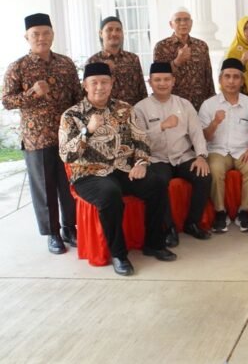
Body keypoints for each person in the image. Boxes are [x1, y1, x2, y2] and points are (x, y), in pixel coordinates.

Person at [59, 62, 174, 276]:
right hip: (88, 173)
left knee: (157, 183)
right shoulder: (71, 115)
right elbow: (66, 154)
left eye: (104, 82)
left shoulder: (124, 109)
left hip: (123, 168)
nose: (100, 87)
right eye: (94, 83)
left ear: (112, 84)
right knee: (109, 193)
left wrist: (140, 163)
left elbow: (141, 140)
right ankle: (119, 254)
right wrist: (88, 131)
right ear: (85, 85)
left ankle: (154, 243)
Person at [2, 13, 81, 254]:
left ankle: (69, 227)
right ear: (27, 37)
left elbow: (77, 95)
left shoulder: (65, 63)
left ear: (53, 34)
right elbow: (6, 101)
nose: (41, 38)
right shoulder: (18, 66)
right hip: (38, 138)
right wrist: (32, 93)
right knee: (44, 188)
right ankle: (53, 234)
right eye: (36, 34)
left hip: (67, 136)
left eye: (46, 32)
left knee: (68, 184)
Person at [134, 62, 212, 246]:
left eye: (166, 79)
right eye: (157, 80)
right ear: (150, 82)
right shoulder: (140, 108)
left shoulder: (184, 104)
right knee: (159, 182)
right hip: (157, 158)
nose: (162, 83)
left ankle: (192, 223)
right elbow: (139, 140)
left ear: (173, 81)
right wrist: (161, 126)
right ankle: (168, 228)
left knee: (204, 176)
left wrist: (201, 156)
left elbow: (196, 132)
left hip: (182, 155)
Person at [198, 58, 248, 234]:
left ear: (242, 81)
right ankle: (220, 212)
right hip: (217, 150)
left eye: (236, 77)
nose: (231, 81)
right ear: (220, 80)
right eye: (227, 76)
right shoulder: (208, 105)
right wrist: (215, 123)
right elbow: (203, 136)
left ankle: (245, 211)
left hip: (244, 150)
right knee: (215, 169)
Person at [153, 10, 215, 110]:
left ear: (191, 23)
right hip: (173, 105)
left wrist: (212, 100)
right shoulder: (161, 46)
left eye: (186, 20)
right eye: (178, 20)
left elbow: (208, 76)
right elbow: (159, 78)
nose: (183, 23)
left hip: (200, 105)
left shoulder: (201, 46)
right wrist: (177, 61)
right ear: (171, 24)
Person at [87, 15, 148, 106]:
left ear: (122, 33)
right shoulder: (93, 61)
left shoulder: (132, 59)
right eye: (109, 29)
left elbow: (142, 90)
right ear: (101, 33)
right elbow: (88, 94)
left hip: (132, 114)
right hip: (105, 115)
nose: (114, 33)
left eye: (118, 30)